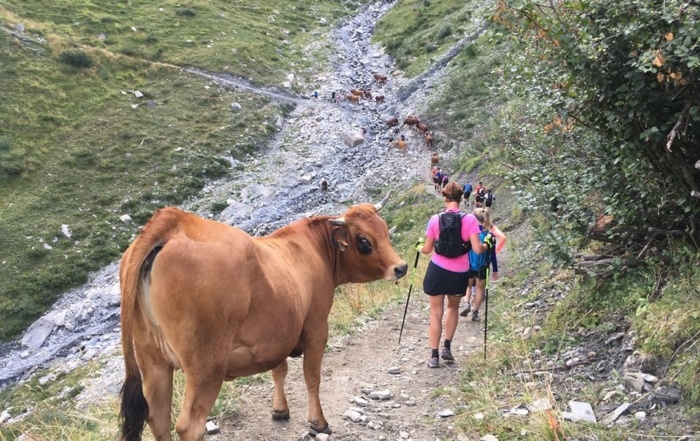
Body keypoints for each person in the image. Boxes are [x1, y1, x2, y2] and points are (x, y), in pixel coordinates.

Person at [417, 182, 494, 368]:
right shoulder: (470, 220)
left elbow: (426, 249)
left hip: (437, 270)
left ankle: (434, 356)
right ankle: (447, 347)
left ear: (444, 197)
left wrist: (418, 246)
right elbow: (477, 249)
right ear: (461, 198)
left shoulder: (435, 219)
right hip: (459, 273)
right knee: (452, 308)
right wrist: (488, 244)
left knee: (435, 313)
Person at [460, 208, 504, 320]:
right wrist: (495, 270)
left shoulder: (470, 232)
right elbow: (492, 254)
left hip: (469, 264)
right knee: (480, 289)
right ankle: (475, 313)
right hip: (483, 266)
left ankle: (466, 303)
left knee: (468, 285)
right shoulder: (490, 235)